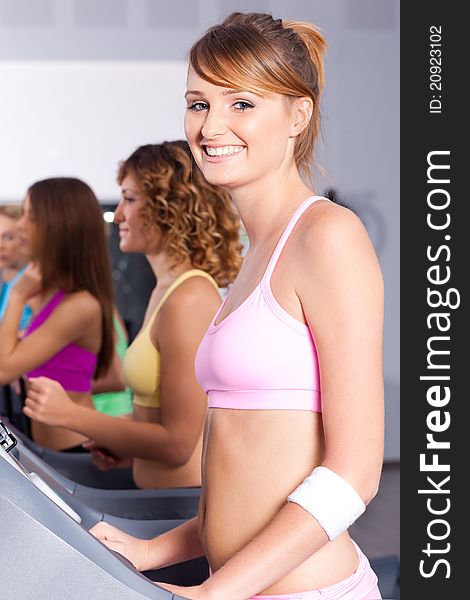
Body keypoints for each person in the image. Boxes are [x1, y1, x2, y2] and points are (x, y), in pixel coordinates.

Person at [89, 12, 385, 600]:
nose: (211, 125)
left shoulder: (327, 236)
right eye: (198, 103)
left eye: (241, 103)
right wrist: (154, 550)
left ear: (297, 115)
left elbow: (354, 475)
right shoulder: (257, 255)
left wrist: (214, 592)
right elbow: (252, 476)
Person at [23, 141, 243, 489]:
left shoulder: (188, 298)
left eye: (129, 199)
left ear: (167, 207)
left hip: (175, 506)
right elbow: (161, 426)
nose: (120, 215)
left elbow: (177, 444)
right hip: (154, 492)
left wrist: (72, 415)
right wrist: (129, 449)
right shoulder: (166, 291)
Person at [0, 178, 115, 451]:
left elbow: (3, 369)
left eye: (30, 216)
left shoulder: (80, 305)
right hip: (50, 449)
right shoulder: (54, 295)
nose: (19, 225)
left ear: (57, 225)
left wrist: (18, 295)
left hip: (73, 449)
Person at [0, 205, 32, 330]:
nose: (0, 245)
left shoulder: (34, 283)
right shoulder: (5, 276)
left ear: (25, 240)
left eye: (8, 237)